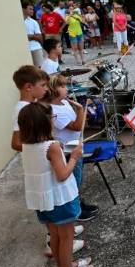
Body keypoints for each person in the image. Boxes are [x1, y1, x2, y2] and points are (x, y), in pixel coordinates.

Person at [17, 103, 94, 267]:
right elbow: (62, 175)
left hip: (43, 200)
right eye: (52, 118)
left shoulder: (26, 145)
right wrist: (74, 157)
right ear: (44, 123)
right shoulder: (52, 147)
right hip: (61, 200)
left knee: (55, 237)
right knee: (66, 238)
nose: (54, 121)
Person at [42, 74, 98, 221]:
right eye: (62, 86)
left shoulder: (65, 103)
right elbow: (77, 126)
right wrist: (80, 109)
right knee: (73, 180)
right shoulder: (53, 110)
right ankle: (76, 210)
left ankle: (79, 203)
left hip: (75, 145)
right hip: (67, 150)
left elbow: (80, 125)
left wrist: (81, 112)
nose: (66, 88)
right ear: (53, 89)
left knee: (78, 178)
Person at [23, 1, 44, 67]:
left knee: (39, 69)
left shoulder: (33, 22)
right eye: (30, 9)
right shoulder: (17, 21)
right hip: (23, 49)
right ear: (23, 9)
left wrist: (29, 36)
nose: (32, 11)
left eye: (32, 9)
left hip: (35, 48)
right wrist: (33, 36)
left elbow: (40, 37)